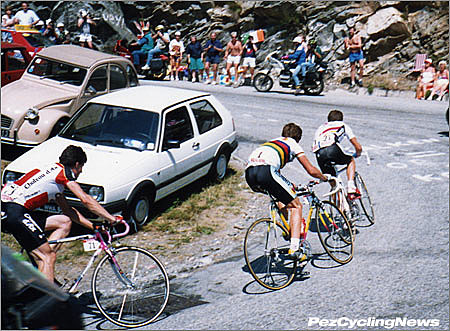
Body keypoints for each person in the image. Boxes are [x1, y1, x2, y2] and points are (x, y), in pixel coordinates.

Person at [1, 145, 121, 282]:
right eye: (81, 167)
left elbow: (68, 211)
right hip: (14, 212)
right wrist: (111, 218)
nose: (81, 172)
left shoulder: (52, 172)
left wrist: (93, 226)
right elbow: (86, 200)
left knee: (64, 222)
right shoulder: (63, 174)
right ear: (76, 164)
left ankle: (41, 268)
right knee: (48, 257)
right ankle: (48, 298)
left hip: (9, 209)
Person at [246, 123, 329, 260]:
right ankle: (295, 248)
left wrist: (292, 186)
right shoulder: (292, 144)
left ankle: (289, 230)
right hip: (266, 171)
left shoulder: (271, 142)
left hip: (250, 174)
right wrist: (324, 177)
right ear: (298, 138)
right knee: (297, 206)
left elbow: (277, 178)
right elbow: (311, 170)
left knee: (281, 198)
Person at [312, 110, 363, 199]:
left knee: (334, 185)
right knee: (350, 160)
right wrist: (358, 153)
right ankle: (351, 187)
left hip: (319, 154)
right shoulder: (343, 125)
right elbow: (358, 147)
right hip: (332, 148)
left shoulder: (321, 127)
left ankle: (340, 209)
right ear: (341, 119)